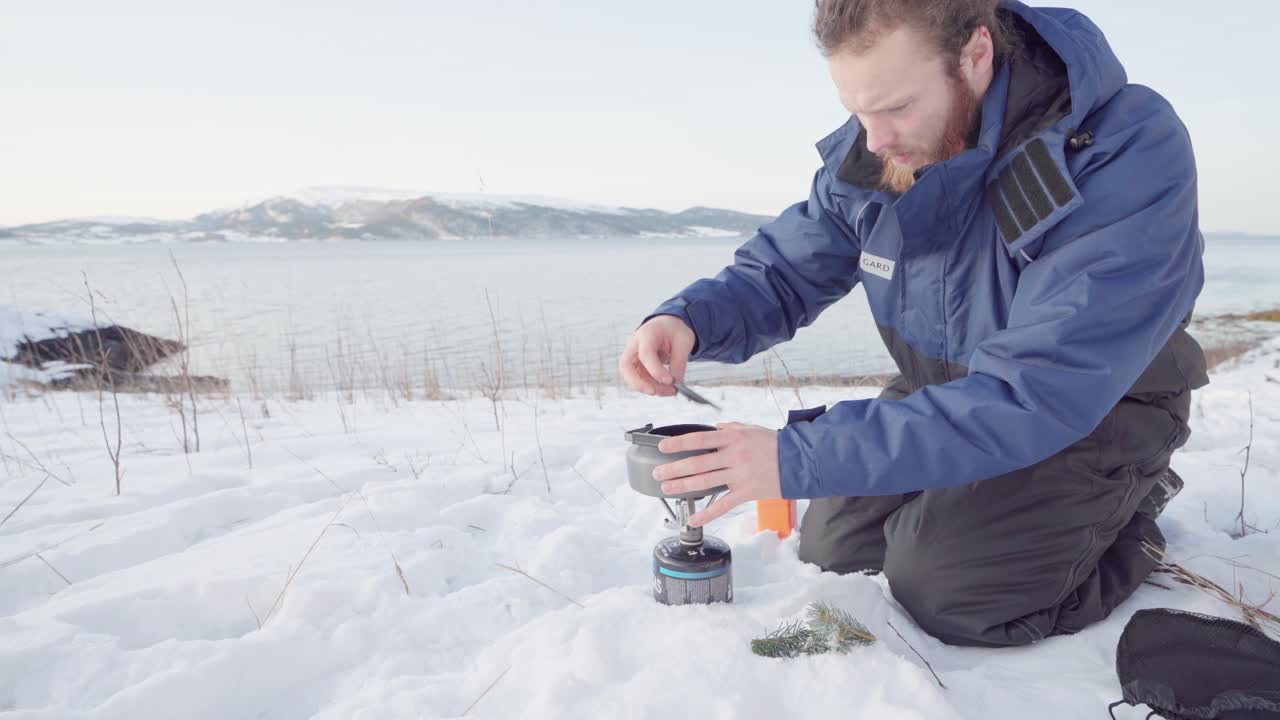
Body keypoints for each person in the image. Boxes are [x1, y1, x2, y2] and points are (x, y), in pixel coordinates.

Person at [616, 0, 1208, 648]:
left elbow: (1037, 393)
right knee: (835, 546)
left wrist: (794, 455)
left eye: (895, 108)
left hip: (1095, 409)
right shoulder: (883, 146)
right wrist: (688, 320)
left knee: (944, 590)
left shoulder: (1121, 150)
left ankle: (1129, 514)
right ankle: (987, 517)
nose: (873, 139)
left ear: (975, 56)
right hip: (947, 390)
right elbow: (788, 267)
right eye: (857, 110)